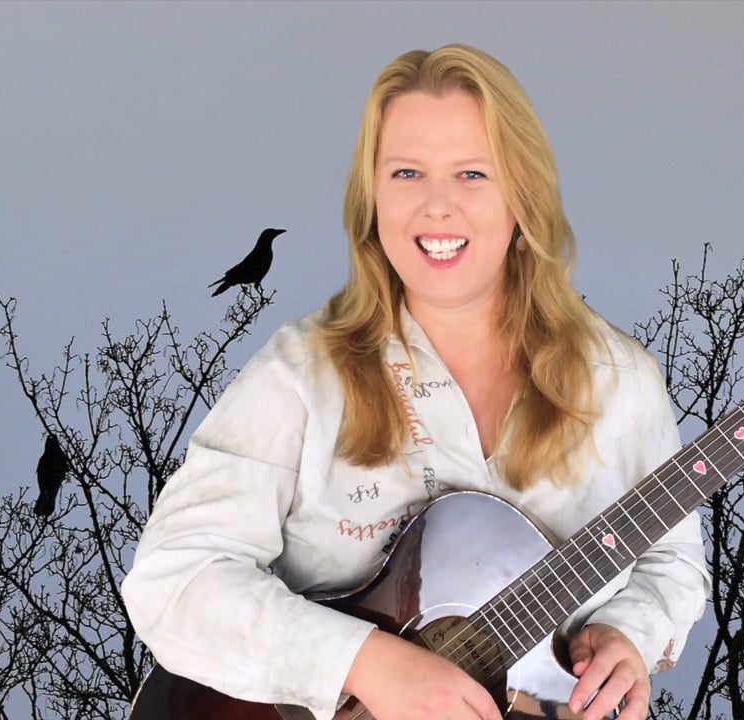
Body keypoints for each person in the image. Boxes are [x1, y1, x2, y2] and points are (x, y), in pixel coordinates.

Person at [121, 43, 711, 720]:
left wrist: (628, 632)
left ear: (523, 197)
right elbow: (175, 579)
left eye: (471, 173)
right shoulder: (299, 376)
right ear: (372, 199)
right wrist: (367, 664)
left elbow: (670, 562)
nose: (437, 206)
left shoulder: (620, 382)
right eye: (406, 172)